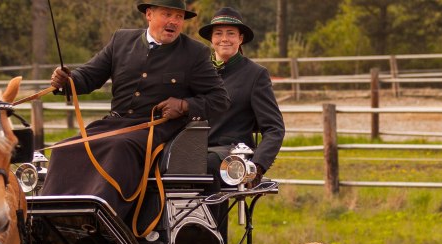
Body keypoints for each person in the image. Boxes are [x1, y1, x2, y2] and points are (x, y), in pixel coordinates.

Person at [41, 0, 230, 222]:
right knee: (65, 148)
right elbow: (88, 76)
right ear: (149, 15)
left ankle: (102, 220)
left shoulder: (195, 53)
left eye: (178, 17)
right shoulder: (121, 40)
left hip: (157, 130)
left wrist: (183, 106)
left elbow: (220, 100)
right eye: (167, 14)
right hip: (114, 123)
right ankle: (51, 218)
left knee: (119, 146)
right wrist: (66, 80)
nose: (173, 21)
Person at [199, 7, 285, 189]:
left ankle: (211, 219)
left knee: (209, 164)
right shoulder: (199, 71)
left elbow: (274, 128)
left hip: (231, 153)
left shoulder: (255, 75)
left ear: (240, 38)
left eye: (231, 33)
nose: (224, 39)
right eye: (218, 33)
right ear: (211, 39)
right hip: (194, 148)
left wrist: (258, 165)